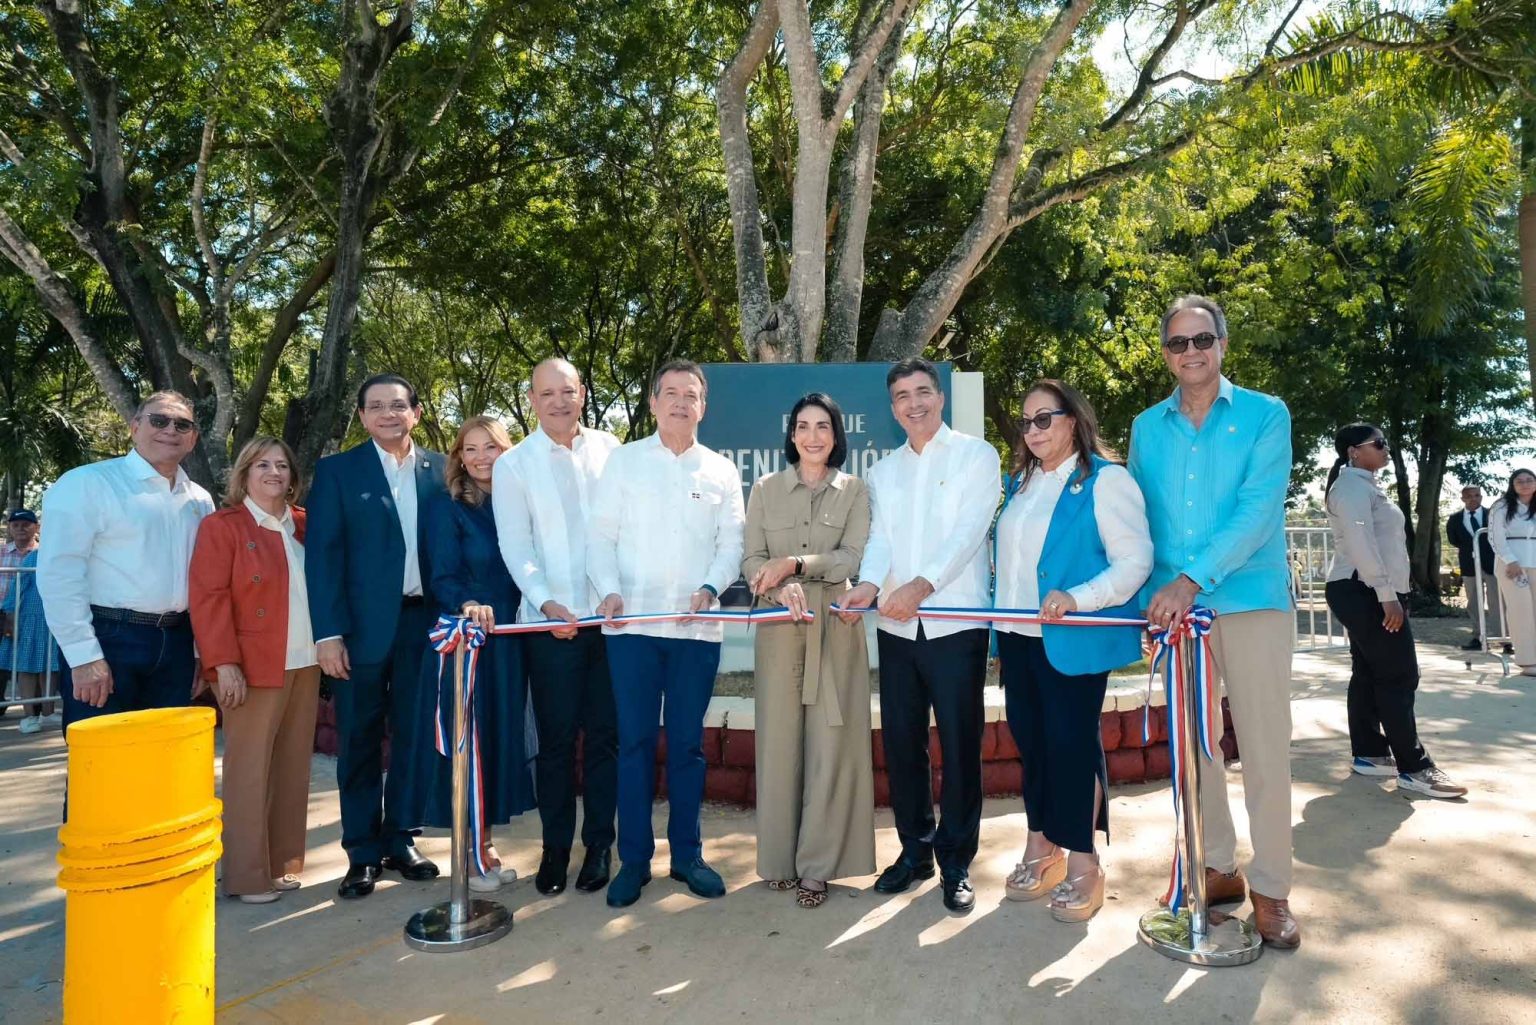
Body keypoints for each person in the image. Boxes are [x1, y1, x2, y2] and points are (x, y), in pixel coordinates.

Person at [1127, 295, 1300, 949]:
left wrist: (1189, 579)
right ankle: (1220, 869)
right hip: (1177, 616)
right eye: (1178, 343)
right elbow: (1142, 519)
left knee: (1263, 749)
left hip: (1249, 600)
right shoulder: (1147, 427)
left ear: (1223, 344)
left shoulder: (1265, 414)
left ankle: (1274, 889)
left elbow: (1258, 511)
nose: (1191, 351)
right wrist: (1154, 596)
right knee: (1194, 752)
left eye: (1203, 339)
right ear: (1166, 353)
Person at [840, 358, 1001, 915]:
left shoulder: (978, 456)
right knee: (902, 744)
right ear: (892, 408)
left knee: (959, 746)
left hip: (955, 622)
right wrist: (867, 586)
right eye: (903, 396)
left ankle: (955, 860)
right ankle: (914, 852)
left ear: (941, 397)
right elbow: (880, 540)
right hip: (896, 625)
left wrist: (921, 585)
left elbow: (968, 531)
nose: (914, 403)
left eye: (923, 392)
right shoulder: (884, 471)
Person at [586, 359, 745, 908]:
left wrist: (711, 584)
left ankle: (688, 857)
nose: (681, 402)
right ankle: (633, 861)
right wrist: (608, 590)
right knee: (632, 743)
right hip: (629, 629)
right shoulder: (624, 463)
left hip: (696, 632)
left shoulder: (721, 471)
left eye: (692, 394)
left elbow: (731, 546)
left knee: (686, 746)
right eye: (670, 393)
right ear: (652, 403)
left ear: (704, 406)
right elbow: (600, 540)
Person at [994, 381, 1152, 922]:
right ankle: (1043, 846)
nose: (1033, 430)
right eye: (1026, 422)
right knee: (1032, 746)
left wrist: (1078, 598)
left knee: (1071, 748)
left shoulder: (1106, 481)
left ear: (1073, 419)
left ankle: (1085, 861)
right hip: (1017, 639)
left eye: (1045, 419)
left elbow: (1134, 562)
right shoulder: (1020, 483)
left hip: (1072, 639)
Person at [306, 373, 447, 899]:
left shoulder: (441, 470)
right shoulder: (338, 472)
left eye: (398, 405)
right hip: (359, 632)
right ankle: (362, 852)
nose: (388, 414)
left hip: (424, 627)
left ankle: (402, 839)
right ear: (362, 417)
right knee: (360, 742)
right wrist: (328, 634)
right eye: (376, 407)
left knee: (413, 740)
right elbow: (323, 558)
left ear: (416, 411)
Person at [741, 392, 874, 909]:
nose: (813, 436)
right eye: (803, 426)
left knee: (830, 747)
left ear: (837, 435)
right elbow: (753, 558)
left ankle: (818, 868)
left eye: (823, 426)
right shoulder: (766, 489)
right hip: (779, 627)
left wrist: (795, 564)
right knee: (778, 744)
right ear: (791, 435)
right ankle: (778, 859)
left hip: (835, 627)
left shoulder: (856, 490)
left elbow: (850, 558)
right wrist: (775, 586)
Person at [493, 358, 620, 897]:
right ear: (531, 400)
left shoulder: (613, 451)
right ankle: (554, 850)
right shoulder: (514, 464)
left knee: (605, 742)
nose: (558, 402)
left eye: (567, 391)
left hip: (610, 624)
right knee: (555, 745)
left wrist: (616, 595)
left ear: (583, 394)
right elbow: (516, 548)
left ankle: (598, 847)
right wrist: (547, 606)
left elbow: (621, 531)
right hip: (550, 629)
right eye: (547, 393)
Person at [189, 437, 322, 903]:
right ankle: (246, 876)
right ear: (244, 472)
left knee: (291, 768)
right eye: (263, 464)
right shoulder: (222, 527)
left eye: (282, 465)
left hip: (307, 662)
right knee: (249, 772)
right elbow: (208, 599)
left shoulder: (305, 524)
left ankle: (281, 862)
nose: (274, 473)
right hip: (252, 666)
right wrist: (223, 663)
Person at [37, 391, 214, 734]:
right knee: (101, 770)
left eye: (182, 424)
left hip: (177, 642)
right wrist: (84, 655)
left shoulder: (200, 500)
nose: (170, 430)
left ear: (192, 439)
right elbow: (60, 573)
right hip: (108, 638)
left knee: (161, 765)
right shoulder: (87, 483)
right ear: (134, 427)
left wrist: (196, 652)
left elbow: (205, 583)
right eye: (158, 420)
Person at [411, 415, 536, 892]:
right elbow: (441, 574)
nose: (482, 458)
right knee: (470, 746)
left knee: (497, 743)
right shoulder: (447, 507)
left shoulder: (515, 504)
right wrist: (468, 604)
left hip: (510, 639)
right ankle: (469, 858)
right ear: (458, 457)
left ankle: (485, 847)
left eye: (493, 448)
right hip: (470, 643)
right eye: (471, 449)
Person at [1322, 425, 1467, 798]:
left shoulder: (1365, 486)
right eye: (1379, 444)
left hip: (1366, 588)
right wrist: (1386, 594)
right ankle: (1414, 767)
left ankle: (1370, 753)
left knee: (1370, 671)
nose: (1387, 449)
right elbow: (1360, 542)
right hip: (1365, 588)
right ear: (1354, 451)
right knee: (1399, 674)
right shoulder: (1352, 487)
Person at [1, 509, 61, 733]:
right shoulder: (34, 557)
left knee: (50, 665)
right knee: (26, 667)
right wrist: (8, 613)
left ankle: (48, 712)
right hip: (28, 618)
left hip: (53, 617)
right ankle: (29, 716)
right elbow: (18, 586)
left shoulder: (61, 554)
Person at [1489, 468, 1536, 678]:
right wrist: (1510, 560)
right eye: (1520, 481)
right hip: (1512, 565)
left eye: (1529, 480)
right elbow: (1495, 536)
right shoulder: (1501, 506)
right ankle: (1528, 661)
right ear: (1513, 484)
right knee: (1521, 611)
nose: (1525, 484)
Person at [1446, 486, 1498, 650]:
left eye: (1476, 495)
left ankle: (1502, 637)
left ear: (1481, 497)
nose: (1473, 498)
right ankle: (1478, 637)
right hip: (1469, 566)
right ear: (1462, 498)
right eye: (1469, 496)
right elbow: (1454, 540)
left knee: (1496, 602)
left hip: (1492, 565)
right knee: (1474, 602)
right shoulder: (1455, 519)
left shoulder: (1493, 515)